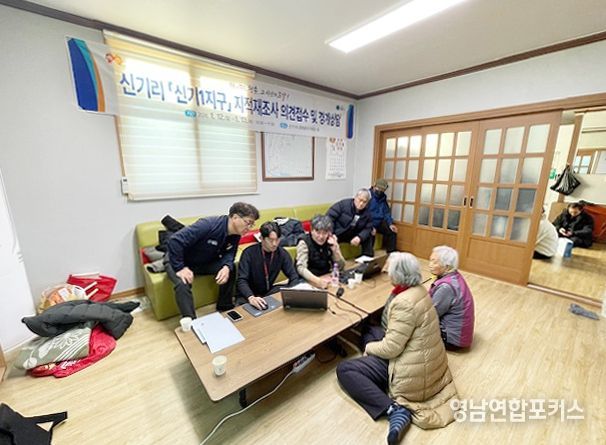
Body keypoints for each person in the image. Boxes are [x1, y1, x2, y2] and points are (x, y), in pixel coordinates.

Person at [336, 252, 457, 445]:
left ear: (399, 275)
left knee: (345, 369)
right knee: (369, 331)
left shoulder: (403, 303)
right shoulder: (418, 290)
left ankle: (393, 410)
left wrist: (370, 348)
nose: (387, 272)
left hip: (410, 370)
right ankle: (373, 371)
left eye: (390, 269)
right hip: (422, 358)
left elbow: (392, 348)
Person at [165, 202, 260, 317]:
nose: (249, 228)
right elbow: (175, 241)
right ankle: (190, 320)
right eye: (248, 223)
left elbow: (230, 253)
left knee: (230, 269)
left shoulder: (236, 234)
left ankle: (224, 306)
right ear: (235, 217)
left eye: (252, 224)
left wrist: (226, 266)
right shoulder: (208, 225)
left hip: (203, 261)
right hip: (178, 259)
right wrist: (180, 268)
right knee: (182, 283)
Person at [236, 221, 301, 310]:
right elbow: (242, 280)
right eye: (270, 240)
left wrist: (291, 293)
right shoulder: (248, 253)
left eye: (277, 240)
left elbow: (293, 276)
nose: (274, 244)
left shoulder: (282, 253)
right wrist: (251, 297)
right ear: (261, 238)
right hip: (248, 295)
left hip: (267, 292)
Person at [428, 246, 475, 350]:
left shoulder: (446, 287)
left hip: (452, 340)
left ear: (447, 267)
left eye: (434, 262)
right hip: (460, 335)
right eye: (430, 260)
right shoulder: (454, 276)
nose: (430, 265)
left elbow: (431, 314)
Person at [296, 214, 345, 289]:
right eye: (318, 233)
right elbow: (301, 268)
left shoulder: (330, 241)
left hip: (326, 278)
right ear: (311, 230)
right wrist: (317, 281)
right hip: (308, 280)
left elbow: (341, 267)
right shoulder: (304, 242)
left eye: (324, 233)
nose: (321, 237)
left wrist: (336, 250)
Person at [327, 189, 374, 257]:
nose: (361, 204)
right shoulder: (343, 204)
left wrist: (360, 237)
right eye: (360, 200)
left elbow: (368, 227)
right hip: (338, 232)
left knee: (368, 236)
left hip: (352, 233)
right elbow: (329, 218)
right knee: (327, 239)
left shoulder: (367, 212)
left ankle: (366, 259)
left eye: (364, 202)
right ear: (355, 197)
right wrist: (332, 234)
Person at [369, 178, 398, 253]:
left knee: (392, 231)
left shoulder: (383, 198)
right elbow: (364, 214)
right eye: (379, 188)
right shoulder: (367, 196)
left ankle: (392, 254)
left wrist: (390, 224)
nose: (380, 190)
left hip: (379, 222)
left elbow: (386, 212)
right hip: (369, 222)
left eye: (382, 189)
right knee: (370, 233)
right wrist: (371, 226)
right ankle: (368, 253)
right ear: (374, 186)